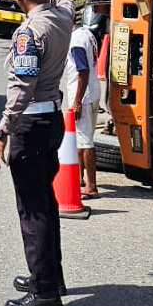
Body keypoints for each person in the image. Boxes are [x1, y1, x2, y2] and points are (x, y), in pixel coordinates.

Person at [0, 0, 75, 306]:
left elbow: (21, 89)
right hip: (51, 121)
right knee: (45, 203)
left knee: (33, 209)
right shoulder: (63, 17)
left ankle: (45, 293)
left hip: (30, 125)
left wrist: (2, 131)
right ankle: (50, 277)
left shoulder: (29, 32)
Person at [63, 21, 101, 198]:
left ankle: (91, 187)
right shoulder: (87, 34)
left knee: (85, 142)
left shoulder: (75, 41)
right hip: (92, 91)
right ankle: (78, 179)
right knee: (80, 138)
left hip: (83, 97)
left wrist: (77, 101)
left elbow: (83, 71)